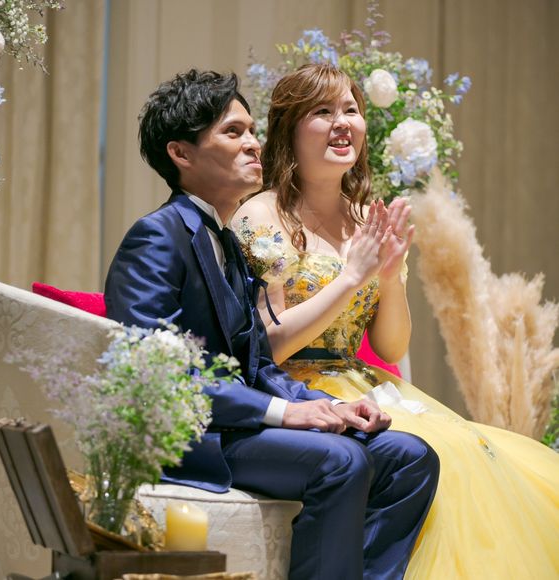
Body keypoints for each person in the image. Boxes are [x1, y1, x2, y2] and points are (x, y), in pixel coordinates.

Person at [104, 69, 439, 580]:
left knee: (410, 456)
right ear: (181, 153)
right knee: (340, 460)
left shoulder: (224, 241)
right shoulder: (157, 237)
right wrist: (283, 412)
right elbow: (158, 379)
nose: (253, 144)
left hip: (241, 422)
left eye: (252, 131)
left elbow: (256, 361)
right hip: (197, 436)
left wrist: (329, 406)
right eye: (232, 132)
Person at [232, 63, 559, 579]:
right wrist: (349, 278)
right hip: (294, 386)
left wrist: (388, 276)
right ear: (289, 128)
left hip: (361, 379)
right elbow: (268, 348)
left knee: (474, 448)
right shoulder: (261, 215)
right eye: (323, 111)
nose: (343, 123)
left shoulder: (367, 218)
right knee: (434, 451)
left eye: (351, 110)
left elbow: (390, 346)